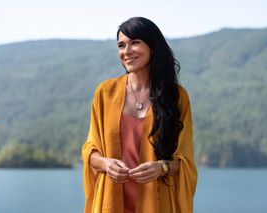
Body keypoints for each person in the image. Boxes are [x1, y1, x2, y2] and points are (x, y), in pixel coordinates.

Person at [82, 17, 197, 213]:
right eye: (121, 45)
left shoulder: (176, 97)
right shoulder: (105, 93)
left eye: (135, 43)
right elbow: (90, 151)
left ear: (153, 47)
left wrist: (162, 167)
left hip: (158, 203)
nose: (126, 51)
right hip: (110, 202)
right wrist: (107, 164)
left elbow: (184, 162)